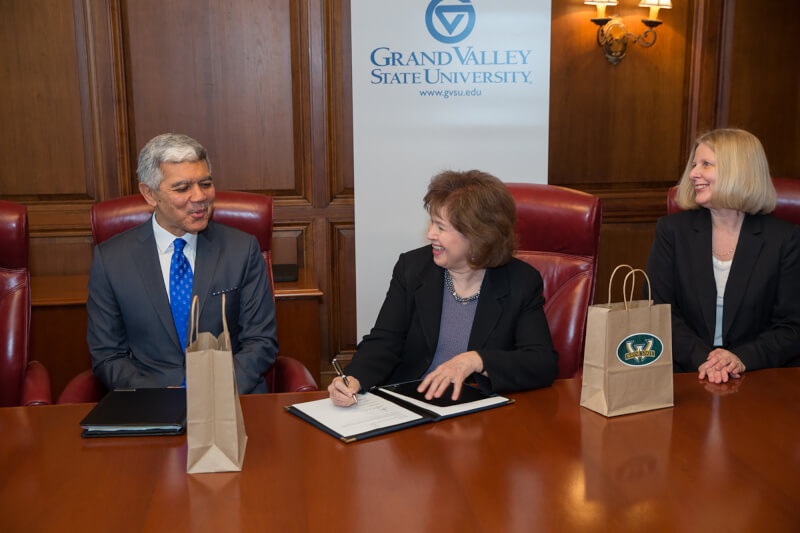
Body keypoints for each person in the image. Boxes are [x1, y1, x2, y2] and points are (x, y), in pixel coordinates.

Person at [329, 170, 559, 406]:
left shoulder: (520, 281)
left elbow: (541, 363)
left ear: (478, 236)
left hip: (479, 414)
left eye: (441, 227)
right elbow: (384, 341)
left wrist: (478, 360)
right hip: (412, 405)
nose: (430, 234)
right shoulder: (413, 268)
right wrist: (353, 378)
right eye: (432, 222)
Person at [87, 133, 278, 393]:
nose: (200, 197)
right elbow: (108, 355)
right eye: (182, 188)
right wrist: (163, 398)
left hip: (230, 397)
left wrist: (216, 392)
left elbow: (260, 341)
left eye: (205, 183)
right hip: (148, 402)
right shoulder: (111, 260)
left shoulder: (241, 249)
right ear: (149, 194)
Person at [646, 128, 800, 384]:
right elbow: (658, 312)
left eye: (706, 164)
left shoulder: (785, 239)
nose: (693, 173)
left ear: (738, 171)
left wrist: (740, 358)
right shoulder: (672, 231)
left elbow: (792, 327)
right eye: (694, 164)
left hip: (758, 375)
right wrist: (707, 360)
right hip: (684, 372)